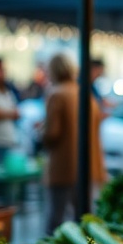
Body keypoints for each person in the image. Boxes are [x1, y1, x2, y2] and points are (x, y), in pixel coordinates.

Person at [41, 54, 106, 233]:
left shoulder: (56, 94)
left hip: (63, 166)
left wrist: (40, 134)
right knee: (83, 217)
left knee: (56, 218)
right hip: (87, 166)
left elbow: (52, 133)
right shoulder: (85, 93)